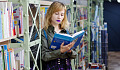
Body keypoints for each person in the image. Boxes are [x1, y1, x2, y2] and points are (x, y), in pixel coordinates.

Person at [41, 1, 77, 70]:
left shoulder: (66, 32)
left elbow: (75, 55)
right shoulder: (44, 32)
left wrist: (70, 51)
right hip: (52, 67)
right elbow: (44, 56)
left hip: (67, 66)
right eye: (56, 14)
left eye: (62, 15)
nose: (59, 17)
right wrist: (60, 51)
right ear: (50, 14)